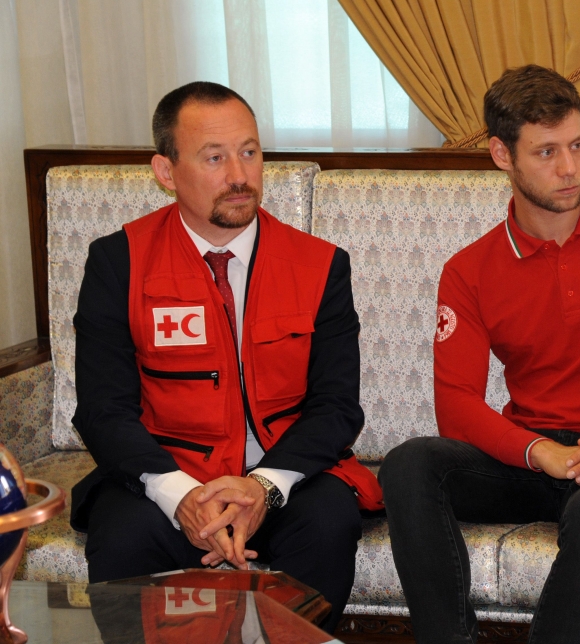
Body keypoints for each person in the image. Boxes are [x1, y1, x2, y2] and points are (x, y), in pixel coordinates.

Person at [378, 65, 580, 644]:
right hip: (534, 455)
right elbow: (455, 404)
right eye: (546, 152)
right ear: (502, 155)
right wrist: (540, 452)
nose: (571, 167)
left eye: (576, 145)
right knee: (409, 464)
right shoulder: (469, 270)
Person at [69, 81, 372, 632]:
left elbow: (337, 407)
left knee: (330, 521)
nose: (240, 175)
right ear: (166, 171)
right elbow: (102, 410)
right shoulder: (118, 263)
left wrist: (260, 487)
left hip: (284, 480)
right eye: (215, 157)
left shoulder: (321, 265)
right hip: (165, 478)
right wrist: (181, 495)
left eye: (250, 152)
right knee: (121, 534)